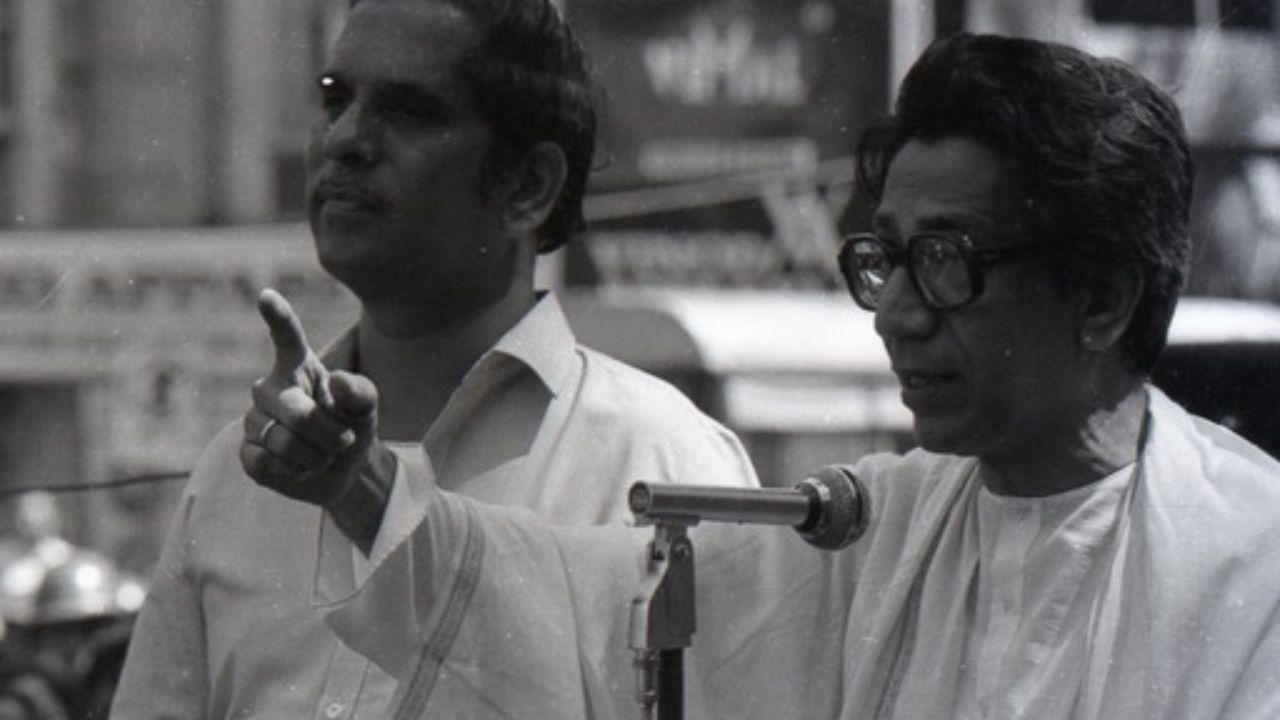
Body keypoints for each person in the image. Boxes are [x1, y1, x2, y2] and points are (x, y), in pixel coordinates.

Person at [258, 32, 1280, 718]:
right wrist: (358, 489)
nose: (892, 310)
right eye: (883, 258)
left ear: (1099, 298)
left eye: (946, 261)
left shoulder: (1250, 558)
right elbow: (583, 616)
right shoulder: (869, 530)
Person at [110, 0, 758, 717]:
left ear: (527, 187)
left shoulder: (661, 462)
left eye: (411, 112)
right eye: (336, 98)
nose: (346, 139)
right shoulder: (238, 475)